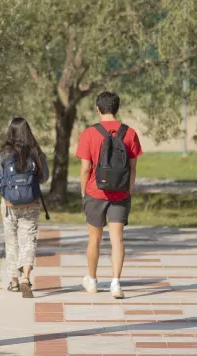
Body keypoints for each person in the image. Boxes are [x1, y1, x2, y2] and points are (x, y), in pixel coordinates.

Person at [76, 91, 142, 299]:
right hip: (120, 193)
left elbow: (85, 168)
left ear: (98, 109)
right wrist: (129, 190)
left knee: (94, 239)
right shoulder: (129, 133)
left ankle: (93, 281)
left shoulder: (89, 133)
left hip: (96, 192)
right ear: (117, 108)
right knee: (117, 240)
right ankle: (115, 283)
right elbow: (133, 167)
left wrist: (83, 190)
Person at [0, 117, 50, 298]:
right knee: (28, 240)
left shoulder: (3, 156)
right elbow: (44, 177)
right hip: (31, 203)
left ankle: (14, 282)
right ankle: (26, 278)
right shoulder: (37, 154)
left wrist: (8, 189)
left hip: (9, 205)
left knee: (12, 241)